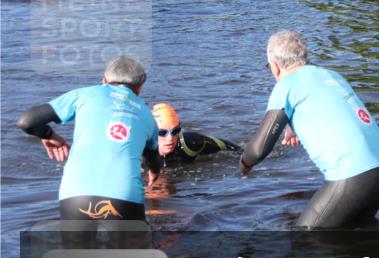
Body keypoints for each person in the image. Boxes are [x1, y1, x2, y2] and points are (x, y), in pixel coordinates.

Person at [240, 31, 379, 228]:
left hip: (353, 176)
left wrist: (244, 164)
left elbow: (258, 149)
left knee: (306, 239)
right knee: (361, 237)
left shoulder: (286, 85)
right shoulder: (331, 75)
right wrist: (293, 125)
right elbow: (332, 111)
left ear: (275, 66)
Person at [16, 56, 161, 222]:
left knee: (78, 249)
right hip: (124, 194)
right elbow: (152, 158)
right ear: (140, 87)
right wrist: (154, 173)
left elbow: (27, 121)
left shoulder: (85, 94)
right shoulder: (148, 116)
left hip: (76, 193)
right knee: (130, 248)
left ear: (104, 80)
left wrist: (48, 135)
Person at [151, 102, 241, 167]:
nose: (170, 138)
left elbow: (229, 147)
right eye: (162, 133)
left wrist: (246, 160)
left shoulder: (191, 142)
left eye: (175, 131)